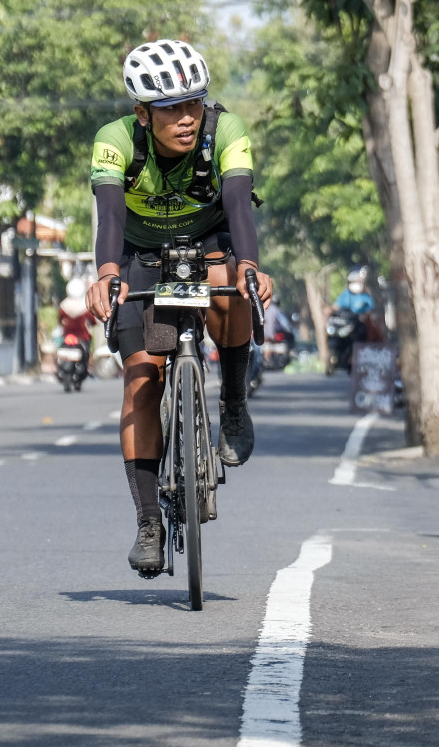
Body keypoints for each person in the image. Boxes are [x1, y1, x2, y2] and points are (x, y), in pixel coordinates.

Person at [86, 39, 273, 577]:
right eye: (171, 109)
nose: (186, 118)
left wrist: (250, 265)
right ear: (143, 114)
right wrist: (107, 274)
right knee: (142, 380)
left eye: (193, 103)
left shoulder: (225, 131)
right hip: (139, 255)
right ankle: (149, 521)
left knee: (232, 281)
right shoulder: (115, 141)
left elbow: (238, 205)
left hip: (209, 243)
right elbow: (110, 217)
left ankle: (233, 401)